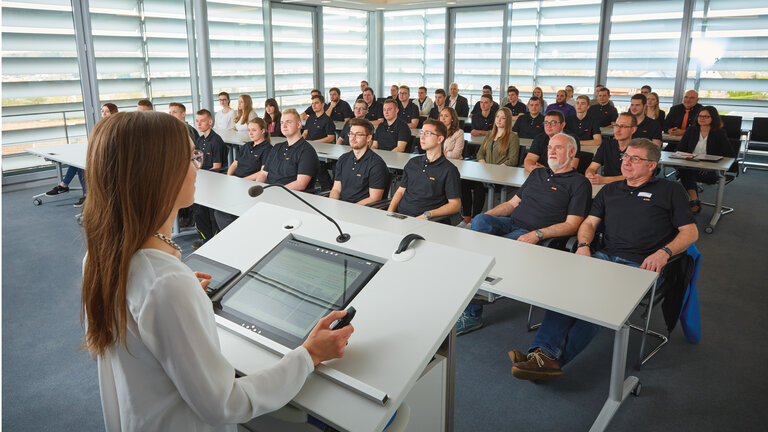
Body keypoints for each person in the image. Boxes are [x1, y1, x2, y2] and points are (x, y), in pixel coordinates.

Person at [81, 110, 352, 431]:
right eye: (191, 158)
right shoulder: (165, 283)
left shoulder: (100, 256)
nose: (197, 167)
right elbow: (227, 403)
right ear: (160, 173)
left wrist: (180, 301)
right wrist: (309, 354)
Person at [509, 138, 698, 381]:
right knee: (564, 291)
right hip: (603, 256)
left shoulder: (670, 191)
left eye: (635, 159)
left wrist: (664, 252)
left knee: (600, 303)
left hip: (641, 265)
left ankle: (550, 360)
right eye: (626, 157)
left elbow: (691, 232)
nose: (627, 162)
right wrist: (585, 245)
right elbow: (588, 223)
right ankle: (541, 355)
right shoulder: (611, 190)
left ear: (652, 165)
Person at [456, 133, 591, 334]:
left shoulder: (579, 183)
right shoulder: (537, 174)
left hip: (536, 234)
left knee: (489, 252)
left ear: (571, 152)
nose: (551, 152)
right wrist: (485, 215)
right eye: (550, 147)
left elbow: (572, 225)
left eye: (558, 148)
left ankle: (473, 311)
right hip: (512, 223)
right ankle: (477, 278)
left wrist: (538, 234)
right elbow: (512, 204)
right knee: (481, 221)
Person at [46, 103, 118, 207]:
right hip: (101, 154)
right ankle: (70, 188)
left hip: (110, 158)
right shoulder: (102, 125)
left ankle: (70, 188)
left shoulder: (115, 126)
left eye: (107, 111)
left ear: (113, 112)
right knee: (78, 162)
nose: (104, 114)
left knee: (81, 165)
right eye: (102, 111)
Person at [388, 119, 461, 220]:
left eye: (427, 133)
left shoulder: (449, 170)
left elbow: (455, 205)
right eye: (422, 133)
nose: (421, 137)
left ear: (440, 139)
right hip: (401, 217)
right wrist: (389, 213)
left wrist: (428, 214)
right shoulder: (413, 163)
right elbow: (400, 191)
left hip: (425, 221)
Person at [463, 107, 520, 224]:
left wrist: (495, 170)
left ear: (508, 121)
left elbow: (513, 160)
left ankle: (475, 218)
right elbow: (480, 153)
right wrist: (483, 164)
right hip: (485, 171)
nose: (499, 120)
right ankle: (466, 217)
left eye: (503, 118)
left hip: (501, 174)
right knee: (463, 182)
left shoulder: (512, 137)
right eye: (497, 117)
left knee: (479, 186)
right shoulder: (490, 133)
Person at [214, 118, 273, 230]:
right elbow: (235, 164)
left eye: (254, 130)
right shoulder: (246, 146)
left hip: (249, 186)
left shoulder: (268, 149)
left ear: (263, 131)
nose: (250, 133)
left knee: (223, 213)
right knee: (217, 207)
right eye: (249, 130)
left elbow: (262, 172)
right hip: (237, 184)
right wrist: (229, 177)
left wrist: (242, 180)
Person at [675, 106, 735, 214]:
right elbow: (680, 149)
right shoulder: (691, 130)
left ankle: (693, 201)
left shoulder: (719, 133)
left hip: (711, 169)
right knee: (685, 171)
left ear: (713, 118)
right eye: (700, 116)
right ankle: (694, 199)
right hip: (691, 165)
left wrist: (709, 166)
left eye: (706, 116)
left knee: (686, 174)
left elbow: (729, 155)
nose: (702, 118)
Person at [254, 109, 319, 191]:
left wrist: (274, 191)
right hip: (269, 193)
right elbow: (263, 173)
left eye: (288, 122)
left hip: (291, 197)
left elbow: (300, 184)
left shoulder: (307, 151)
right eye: (281, 122)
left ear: (298, 125)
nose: (284, 126)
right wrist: (259, 189)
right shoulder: (277, 147)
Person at [329, 118, 389, 205]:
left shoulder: (376, 164)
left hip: (361, 211)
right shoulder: (343, 159)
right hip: (341, 208)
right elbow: (336, 189)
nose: (353, 138)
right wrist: (332, 205)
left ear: (368, 138)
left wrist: (351, 209)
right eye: (351, 134)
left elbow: (374, 198)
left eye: (358, 135)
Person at [192, 109, 228, 247]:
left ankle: (213, 240)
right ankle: (205, 238)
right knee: (197, 210)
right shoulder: (200, 140)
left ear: (210, 122)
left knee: (209, 212)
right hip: (201, 178)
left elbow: (217, 167)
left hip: (214, 181)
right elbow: (196, 161)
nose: (199, 124)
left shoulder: (216, 141)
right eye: (197, 121)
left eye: (202, 121)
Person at [584, 112, 637, 185]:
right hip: (608, 187)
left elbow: (635, 175)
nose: (617, 130)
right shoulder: (606, 144)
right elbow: (592, 167)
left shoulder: (639, 148)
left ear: (633, 130)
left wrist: (605, 180)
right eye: (616, 125)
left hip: (630, 187)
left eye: (623, 126)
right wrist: (590, 175)